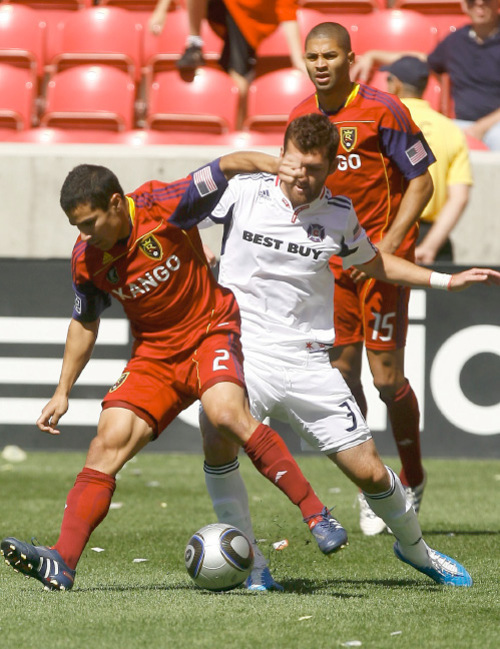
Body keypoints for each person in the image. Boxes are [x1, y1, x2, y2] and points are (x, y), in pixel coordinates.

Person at [0, 152, 349, 592]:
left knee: (225, 414)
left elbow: (228, 165)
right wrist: (61, 391)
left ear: (114, 202)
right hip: (155, 357)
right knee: (107, 440)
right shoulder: (87, 260)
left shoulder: (163, 204)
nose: (84, 235)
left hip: (210, 331)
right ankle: (62, 562)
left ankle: (315, 511)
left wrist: (276, 166)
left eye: (89, 223)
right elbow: (85, 322)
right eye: (77, 227)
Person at [198, 113, 500, 589]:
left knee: (373, 474)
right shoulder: (243, 191)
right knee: (217, 434)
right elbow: (175, 215)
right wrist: (200, 256)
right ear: (281, 157)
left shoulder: (338, 214)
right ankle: (254, 564)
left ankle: (417, 550)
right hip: (242, 350)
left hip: (306, 361)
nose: (301, 178)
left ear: (332, 166)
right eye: (294, 165)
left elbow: (376, 263)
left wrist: (446, 279)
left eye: (314, 169)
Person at [289, 22, 435, 536]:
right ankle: (375, 487)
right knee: (344, 377)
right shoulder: (300, 118)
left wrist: (385, 247)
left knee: (386, 379)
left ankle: (413, 477)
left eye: (330, 55)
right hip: (331, 267)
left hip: (380, 263)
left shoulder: (383, 109)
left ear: (350, 58)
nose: (321, 64)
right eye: (313, 56)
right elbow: (296, 188)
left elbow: (422, 181)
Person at [351, 0, 500, 151]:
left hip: (496, 125)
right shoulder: (456, 41)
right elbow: (423, 59)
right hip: (460, 124)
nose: (480, 5)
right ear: (463, 5)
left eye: (487, 0)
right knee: (424, 140)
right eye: (472, 1)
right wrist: (374, 55)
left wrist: (481, 128)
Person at [149, 0, 306, 128]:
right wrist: (161, 9)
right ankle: (194, 44)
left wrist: (298, 59)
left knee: (239, 81)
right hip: (226, 7)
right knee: (236, 75)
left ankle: (237, 131)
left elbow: (287, 12)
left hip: (250, 20)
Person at [381, 56, 473, 264]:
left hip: (386, 230)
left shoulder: (383, 121)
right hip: (430, 238)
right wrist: (430, 246)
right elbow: (459, 197)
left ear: (395, 84)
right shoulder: (451, 129)